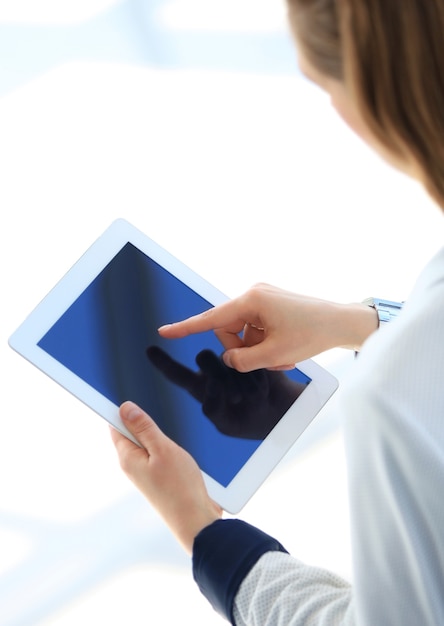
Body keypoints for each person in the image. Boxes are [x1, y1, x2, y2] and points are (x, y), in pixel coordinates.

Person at [110, 0, 444, 623]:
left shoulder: (393, 399)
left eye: (320, 83)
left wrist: (202, 527)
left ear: (375, 89)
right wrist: (365, 323)